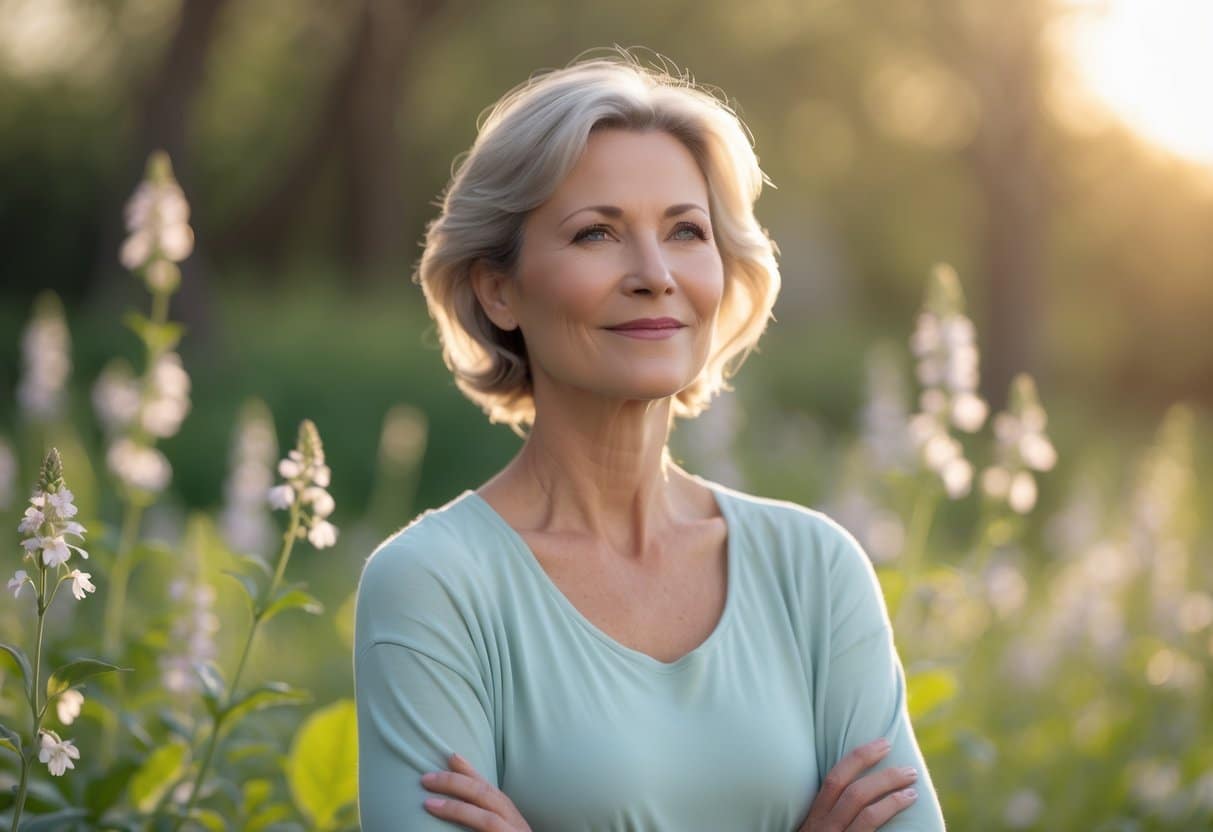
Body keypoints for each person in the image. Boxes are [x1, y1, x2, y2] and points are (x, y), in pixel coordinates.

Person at [354, 47, 946, 831]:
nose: (654, 273)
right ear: (498, 289)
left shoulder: (815, 570)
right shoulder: (432, 586)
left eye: (685, 232)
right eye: (597, 234)